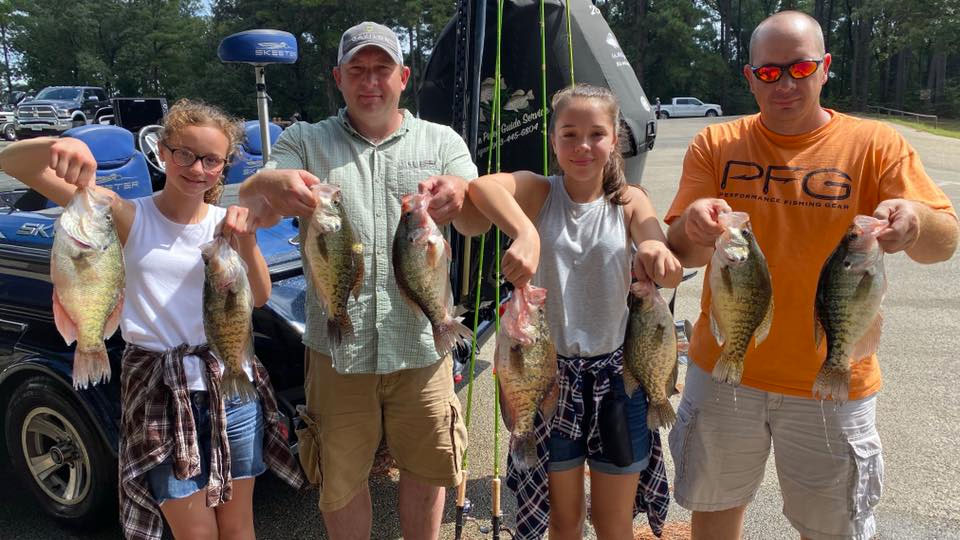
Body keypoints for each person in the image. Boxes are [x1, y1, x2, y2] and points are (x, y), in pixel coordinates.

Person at [664, 11, 959, 540]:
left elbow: (945, 242)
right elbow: (680, 253)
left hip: (835, 381)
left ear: (824, 68)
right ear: (750, 77)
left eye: (800, 68)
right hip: (725, 372)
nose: (786, 84)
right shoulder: (715, 144)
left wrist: (915, 224)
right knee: (713, 514)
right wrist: (689, 224)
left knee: (834, 529)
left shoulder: (875, 144)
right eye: (770, 73)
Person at [0, 99, 304, 540]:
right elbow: (14, 163)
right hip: (159, 391)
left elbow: (258, 296)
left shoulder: (227, 222)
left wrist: (248, 242)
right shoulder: (123, 214)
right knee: (195, 532)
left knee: (238, 526)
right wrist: (59, 144)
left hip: (230, 385)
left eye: (211, 160)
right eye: (184, 153)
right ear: (162, 152)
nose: (196, 168)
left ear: (223, 167)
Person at [235, 21, 487, 540]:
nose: (370, 81)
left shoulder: (441, 141)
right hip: (336, 351)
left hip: (421, 346)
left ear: (403, 77)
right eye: (358, 70)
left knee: (428, 469)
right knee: (340, 479)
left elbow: (477, 221)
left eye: (382, 69)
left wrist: (462, 194)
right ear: (339, 78)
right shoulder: (305, 141)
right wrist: (272, 181)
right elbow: (253, 198)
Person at [467, 83, 682, 540]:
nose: (582, 146)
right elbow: (482, 187)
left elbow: (652, 239)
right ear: (552, 141)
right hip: (549, 377)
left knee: (613, 521)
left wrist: (655, 251)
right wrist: (525, 232)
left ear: (615, 140)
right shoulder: (540, 192)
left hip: (619, 380)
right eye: (568, 134)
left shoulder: (628, 201)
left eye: (596, 134)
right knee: (564, 521)